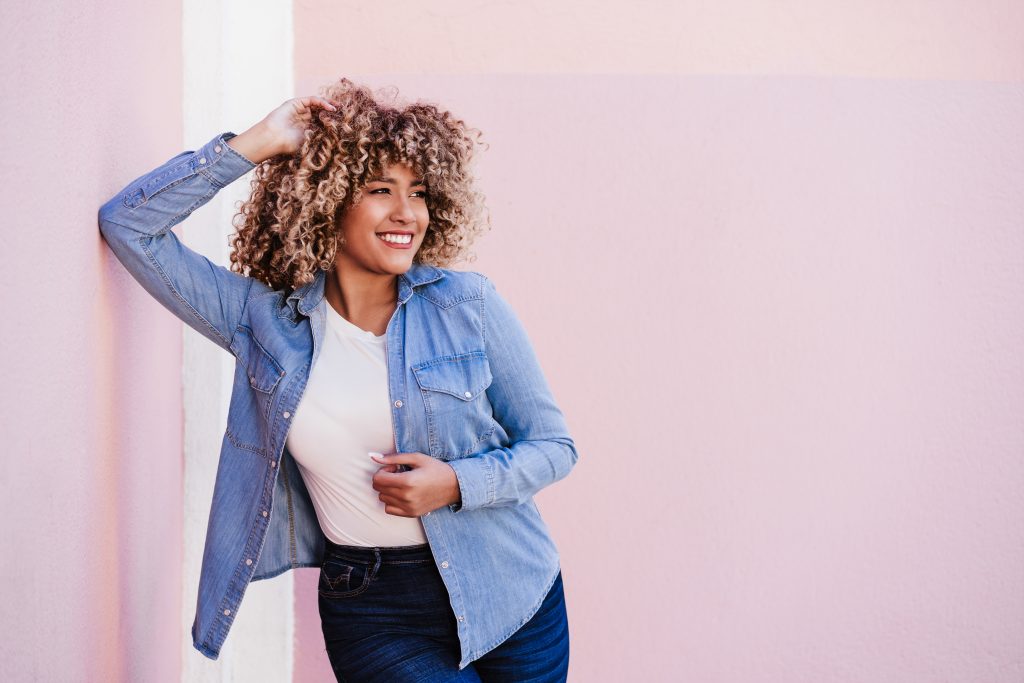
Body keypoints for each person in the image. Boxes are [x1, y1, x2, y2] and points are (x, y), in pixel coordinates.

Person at [97, 77, 580, 682]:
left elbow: (555, 448)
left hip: (510, 589)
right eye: (381, 190)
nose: (407, 213)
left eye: (419, 193)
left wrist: (456, 482)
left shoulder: (468, 306)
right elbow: (130, 226)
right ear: (328, 200)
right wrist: (257, 143)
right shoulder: (263, 324)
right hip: (375, 608)